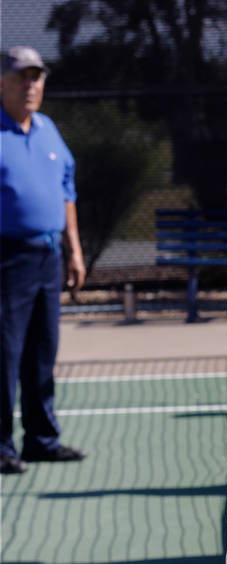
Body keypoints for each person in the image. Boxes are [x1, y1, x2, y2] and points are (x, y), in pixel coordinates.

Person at [1, 46, 88, 475]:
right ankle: (1, 446)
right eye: (21, 76)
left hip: (48, 256)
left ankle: (41, 439)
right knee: (4, 353)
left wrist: (74, 248)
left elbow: (66, 191)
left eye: (36, 77)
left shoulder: (49, 130)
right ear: (2, 81)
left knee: (42, 349)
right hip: (6, 259)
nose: (30, 85)